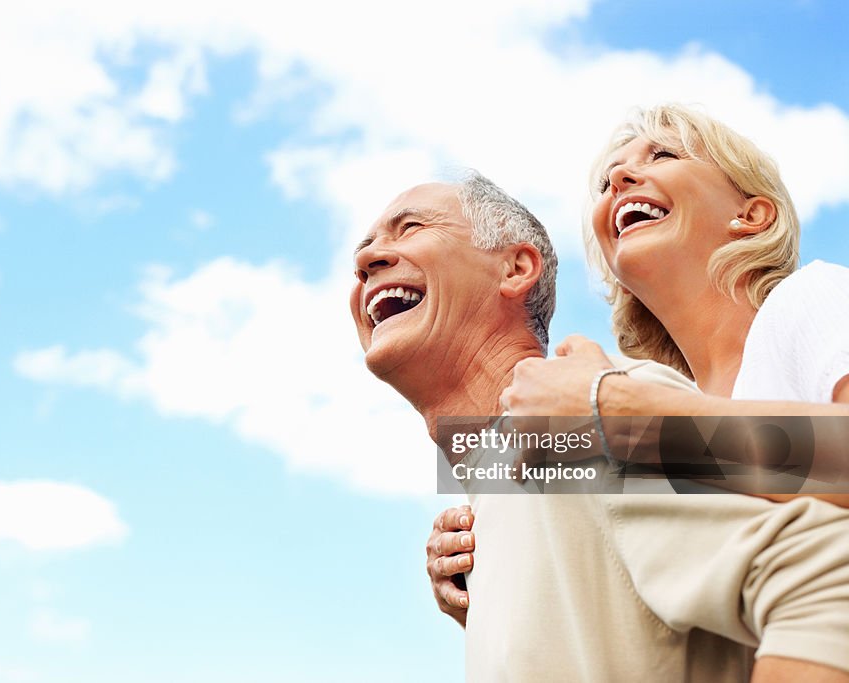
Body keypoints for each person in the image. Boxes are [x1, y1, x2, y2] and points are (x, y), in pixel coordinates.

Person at [354, 172, 849, 681]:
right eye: (364, 248)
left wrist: (609, 407)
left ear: (517, 268)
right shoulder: (516, 482)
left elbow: (830, 577)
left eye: (410, 228)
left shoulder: (586, 426)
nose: (365, 260)